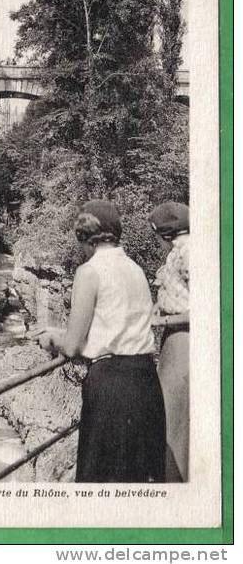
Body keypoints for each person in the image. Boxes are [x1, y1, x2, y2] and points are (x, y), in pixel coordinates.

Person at [33, 200, 166, 483]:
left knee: (102, 484)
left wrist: (53, 338)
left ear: (84, 237)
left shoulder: (89, 272)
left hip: (111, 388)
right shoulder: (136, 269)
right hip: (146, 382)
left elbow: (72, 346)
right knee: (139, 485)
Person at [149, 202, 189, 482]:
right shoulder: (181, 251)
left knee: (175, 416)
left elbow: (209, 306)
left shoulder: (189, 252)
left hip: (183, 341)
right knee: (173, 414)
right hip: (175, 338)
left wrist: (163, 321)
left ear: (165, 233)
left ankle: (176, 483)